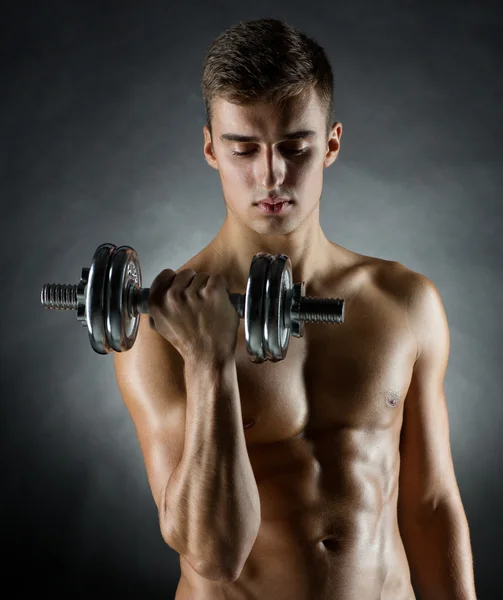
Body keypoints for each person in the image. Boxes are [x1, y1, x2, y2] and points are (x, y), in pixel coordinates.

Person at [113, 18, 477, 600]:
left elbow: (431, 504)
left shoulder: (404, 303)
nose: (272, 175)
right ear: (211, 148)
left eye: (294, 147)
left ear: (330, 143)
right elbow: (213, 553)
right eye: (244, 150)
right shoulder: (158, 329)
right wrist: (209, 360)